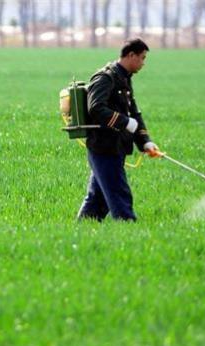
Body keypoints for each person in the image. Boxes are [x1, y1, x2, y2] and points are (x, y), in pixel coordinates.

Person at [77, 38, 162, 222]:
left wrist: (145, 141)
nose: (143, 63)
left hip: (116, 147)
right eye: (142, 58)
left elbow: (134, 113)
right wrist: (124, 122)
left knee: (97, 201)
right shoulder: (105, 77)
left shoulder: (123, 79)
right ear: (131, 55)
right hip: (104, 148)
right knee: (120, 196)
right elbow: (96, 108)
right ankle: (129, 230)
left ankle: (81, 231)